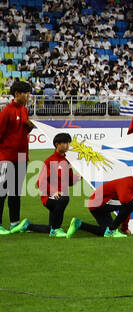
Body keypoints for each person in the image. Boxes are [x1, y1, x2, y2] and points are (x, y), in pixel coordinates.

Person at [72, 164, 133, 238]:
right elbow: (125, 202)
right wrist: (124, 227)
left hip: (98, 205)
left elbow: (126, 208)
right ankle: (112, 230)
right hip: (98, 204)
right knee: (131, 204)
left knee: (105, 231)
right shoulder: (128, 182)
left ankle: (78, 224)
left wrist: (124, 228)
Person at [23, 132, 77, 237]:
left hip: (59, 196)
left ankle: (28, 226)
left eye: (68, 143)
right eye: (64, 143)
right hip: (49, 197)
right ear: (57, 144)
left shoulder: (67, 161)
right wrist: (53, 191)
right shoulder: (49, 161)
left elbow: (70, 182)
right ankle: (56, 230)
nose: (67, 146)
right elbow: (40, 182)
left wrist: (77, 178)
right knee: (64, 199)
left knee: (50, 226)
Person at [0, 80, 34, 234]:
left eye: (29, 93)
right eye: (26, 93)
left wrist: (29, 128)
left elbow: (22, 132)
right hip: (6, 157)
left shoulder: (24, 110)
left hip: (22, 157)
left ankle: (15, 223)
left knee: (15, 193)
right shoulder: (6, 111)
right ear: (17, 94)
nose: (28, 96)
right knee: (2, 192)